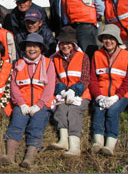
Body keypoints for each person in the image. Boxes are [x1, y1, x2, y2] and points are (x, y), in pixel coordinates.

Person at [0, 33, 55, 168]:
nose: (32, 49)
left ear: (41, 48)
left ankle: (29, 158)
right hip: (22, 104)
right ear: (25, 48)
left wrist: (39, 105)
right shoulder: (18, 64)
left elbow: (50, 87)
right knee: (16, 124)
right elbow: (14, 85)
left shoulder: (48, 64)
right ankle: (9, 156)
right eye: (29, 46)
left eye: (35, 46)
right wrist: (21, 104)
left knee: (36, 127)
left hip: (41, 105)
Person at [89, 24, 128, 156]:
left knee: (112, 112)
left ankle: (110, 145)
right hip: (102, 94)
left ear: (117, 40)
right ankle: (97, 142)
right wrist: (98, 96)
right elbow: (93, 79)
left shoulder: (126, 56)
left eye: (111, 38)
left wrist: (116, 97)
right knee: (98, 110)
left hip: (121, 94)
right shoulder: (97, 55)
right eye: (105, 38)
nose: (108, 41)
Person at [50, 26, 91, 157]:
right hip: (63, 93)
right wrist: (61, 90)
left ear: (74, 44)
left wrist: (74, 91)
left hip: (81, 94)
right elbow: (55, 77)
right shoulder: (54, 58)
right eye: (62, 43)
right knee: (60, 109)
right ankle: (63, 140)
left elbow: (85, 78)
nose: (65, 46)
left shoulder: (83, 57)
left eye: (68, 43)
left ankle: (74, 145)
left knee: (73, 111)